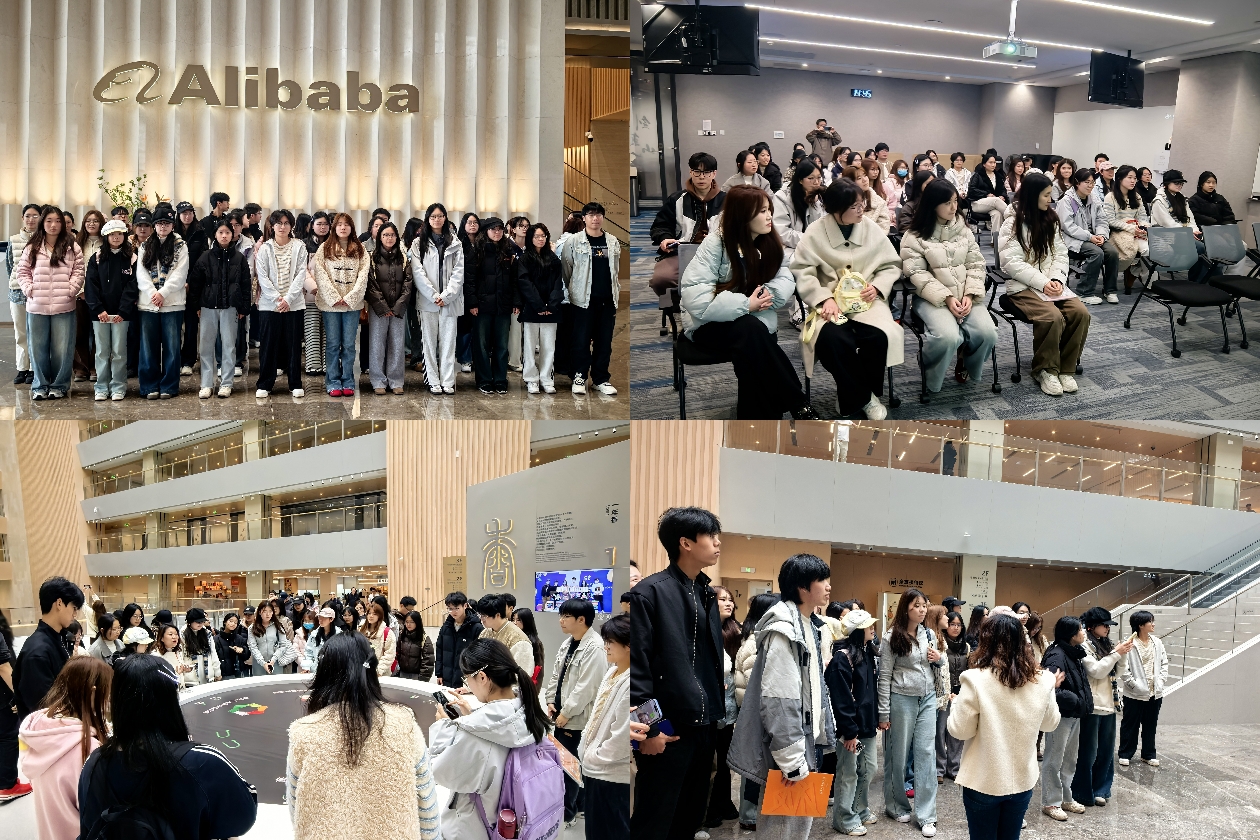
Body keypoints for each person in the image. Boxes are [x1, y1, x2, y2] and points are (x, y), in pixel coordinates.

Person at [78, 654, 258, 840]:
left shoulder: (95, 763)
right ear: (170, 700)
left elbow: (88, 825)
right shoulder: (203, 761)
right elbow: (242, 817)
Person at [628, 507, 725, 840]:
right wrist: (651, 729)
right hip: (668, 727)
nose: (717, 543)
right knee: (655, 820)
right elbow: (638, 671)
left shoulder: (706, 593)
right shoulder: (649, 593)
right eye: (710, 536)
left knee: (689, 818)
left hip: (704, 724)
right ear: (685, 543)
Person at [680, 184, 814, 420]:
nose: (770, 216)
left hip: (751, 322)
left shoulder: (767, 240)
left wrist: (769, 294)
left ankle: (755, 422)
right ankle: (797, 402)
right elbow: (696, 298)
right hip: (707, 324)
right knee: (752, 333)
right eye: (762, 211)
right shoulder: (716, 243)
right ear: (742, 215)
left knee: (750, 350)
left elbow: (784, 275)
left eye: (769, 209)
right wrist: (746, 305)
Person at [285, 632, 438, 839]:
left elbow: (296, 808)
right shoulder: (403, 723)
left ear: (323, 673)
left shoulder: (304, 732)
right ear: (371, 670)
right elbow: (427, 805)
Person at [727, 553, 835, 840]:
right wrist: (792, 760)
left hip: (804, 739)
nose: (828, 586)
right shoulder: (784, 631)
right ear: (803, 587)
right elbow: (779, 701)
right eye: (822, 580)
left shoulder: (807, 624)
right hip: (790, 747)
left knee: (796, 825)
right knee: (783, 828)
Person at [792, 178, 904, 420]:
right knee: (832, 339)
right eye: (854, 207)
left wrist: (878, 286)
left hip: (867, 301)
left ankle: (851, 394)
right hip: (830, 304)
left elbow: (891, 264)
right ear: (836, 209)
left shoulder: (870, 228)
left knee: (879, 336)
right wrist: (823, 299)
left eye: (862, 204)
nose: (861, 210)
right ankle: (865, 398)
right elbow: (802, 272)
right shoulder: (814, 233)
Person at [430, 637, 560, 840]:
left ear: (482, 677)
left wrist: (442, 727)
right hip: (522, 821)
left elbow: (440, 771)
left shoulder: (476, 736)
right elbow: (501, 732)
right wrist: (473, 716)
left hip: (476, 830)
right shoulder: (529, 712)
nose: (467, 684)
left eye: (467, 678)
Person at [947, 613, 1061, 840]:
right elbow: (1050, 724)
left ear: (986, 641)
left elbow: (960, 730)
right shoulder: (1043, 680)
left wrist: (956, 703)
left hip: (983, 779)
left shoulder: (975, 679)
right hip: (1022, 779)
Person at [998, 173, 1089, 398]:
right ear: (1032, 196)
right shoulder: (1012, 223)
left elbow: (1061, 254)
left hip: (1051, 284)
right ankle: (1045, 370)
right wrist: (1044, 282)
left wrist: (1057, 279)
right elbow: (1011, 263)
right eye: (1046, 195)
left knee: (1080, 313)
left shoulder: (1051, 219)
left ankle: (1065, 368)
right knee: (1052, 317)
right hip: (1022, 287)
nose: (1050, 199)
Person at [901, 178, 996, 392]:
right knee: (947, 337)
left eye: (955, 201)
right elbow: (916, 273)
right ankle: (929, 370)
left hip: (965, 295)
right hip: (931, 298)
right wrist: (947, 297)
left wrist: (970, 295)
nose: (954, 207)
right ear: (932, 205)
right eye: (947, 203)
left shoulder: (963, 229)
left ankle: (966, 360)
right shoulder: (914, 235)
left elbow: (976, 264)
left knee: (988, 332)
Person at [17, 656, 111, 840]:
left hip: (49, 831)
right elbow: (96, 810)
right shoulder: (87, 747)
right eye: (108, 692)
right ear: (93, 693)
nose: (109, 699)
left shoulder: (37, 728)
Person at [876, 589, 941, 837]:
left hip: (928, 697)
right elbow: (884, 677)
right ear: (906, 608)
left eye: (924, 605)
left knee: (926, 754)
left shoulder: (928, 633)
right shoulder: (891, 637)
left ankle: (927, 815)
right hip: (901, 698)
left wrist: (939, 658)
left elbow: (937, 663)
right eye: (917, 606)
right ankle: (896, 806)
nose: (922, 610)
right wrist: (883, 713)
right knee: (898, 755)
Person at [541, 597, 604, 825]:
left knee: (570, 767)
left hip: (576, 718)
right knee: (565, 762)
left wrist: (566, 713)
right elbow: (555, 676)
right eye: (561, 615)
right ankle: (577, 807)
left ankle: (568, 814)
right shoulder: (569, 642)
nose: (561, 620)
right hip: (561, 713)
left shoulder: (595, 647)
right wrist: (550, 700)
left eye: (566, 616)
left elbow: (586, 688)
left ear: (581, 619)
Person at [14, 206, 85, 400]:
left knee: (62, 349)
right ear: (42, 223)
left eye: (58, 221)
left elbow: (79, 271)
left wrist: (71, 290)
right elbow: (22, 272)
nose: (53, 225)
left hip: (64, 305)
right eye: (49, 221)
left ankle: (59, 385)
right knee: (37, 349)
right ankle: (40, 385)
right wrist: (30, 289)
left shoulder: (72, 246)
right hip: (37, 305)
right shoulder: (33, 246)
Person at [825, 608, 880, 837]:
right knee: (849, 773)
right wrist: (849, 732)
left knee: (869, 768)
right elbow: (841, 699)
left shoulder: (867, 653)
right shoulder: (842, 657)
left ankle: (859, 809)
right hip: (851, 729)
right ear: (858, 630)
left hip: (867, 726)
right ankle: (844, 818)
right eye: (868, 626)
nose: (873, 628)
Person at [578, 613, 631, 840]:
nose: (605, 646)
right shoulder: (612, 671)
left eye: (611, 642)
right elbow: (595, 717)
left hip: (612, 775)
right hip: (596, 770)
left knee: (611, 831)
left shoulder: (631, 681)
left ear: (629, 646)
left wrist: (593, 756)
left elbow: (622, 738)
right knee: (595, 830)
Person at [1074, 607, 1131, 809]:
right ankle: (1083, 792)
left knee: (1106, 752)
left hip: (1109, 705)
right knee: (1088, 752)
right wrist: (1116, 654)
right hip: (1092, 705)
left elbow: (1118, 671)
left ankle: (1101, 790)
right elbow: (1096, 671)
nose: (1107, 629)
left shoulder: (1107, 644)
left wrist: (1122, 654)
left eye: (1109, 625)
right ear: (1091, 626)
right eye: (1104, 625)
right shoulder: (1084, 645)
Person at [650, 152, 726, 303]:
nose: (701, 177)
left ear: (714, 174)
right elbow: (660, 225)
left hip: (718, 253)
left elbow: (738, 228)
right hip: (682, 251)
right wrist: (665, 238)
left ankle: (716, 307)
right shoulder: (676, 199)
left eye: (706, 172)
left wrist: (720, 238)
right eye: (697, 172)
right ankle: (673, 306)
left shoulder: (728, 200)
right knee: (661, 279)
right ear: (691, 172)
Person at [1040, 616, 1092, 820]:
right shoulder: (1056, 655)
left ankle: (1065, 798)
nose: (1083, 632)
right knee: (1054, 759)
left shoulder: (1073, 652)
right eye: (1080, 629)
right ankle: (1050, 802)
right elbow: (1048, 687)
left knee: (1069, 759)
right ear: (1071, 634)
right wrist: (1075, 700)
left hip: (1073, 714)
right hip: (1060, 715)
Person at [407, 203, 462, 394]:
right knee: (428, 343)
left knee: (448, 343)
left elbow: (458, 272)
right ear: (427, 219)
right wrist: (433, 295)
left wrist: (446, 296)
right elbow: (417, 271)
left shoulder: (455, 242)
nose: (437, 219)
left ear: (445, 218)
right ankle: (432, 380)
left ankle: (447, 381)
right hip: (427, 300)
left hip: (450, 301)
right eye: (433, 216)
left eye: (440, 216)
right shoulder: (418, 243)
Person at [134, 207, 189, 399]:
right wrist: (153, 293)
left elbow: (180, 274)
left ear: (173, 225)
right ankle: (149, 386)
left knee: (172, 347)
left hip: (172, 303)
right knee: (148, 347)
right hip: (148, 303)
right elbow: (141, 273)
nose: (162, 227)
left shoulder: (181, 246)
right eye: (159, 224)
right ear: (154, 226)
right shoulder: (144, 246)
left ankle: (169, 386)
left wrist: (163, 293)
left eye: (166, 223)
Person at [312, 213, 369, 396]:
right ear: (334, 227)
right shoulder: (324, 248)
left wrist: (351, 298)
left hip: (352, 305)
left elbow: (363, 275)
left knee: (349, 344)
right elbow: (320, 274)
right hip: (331, 305)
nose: (343, 227)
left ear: (352, 227)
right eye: (339, 224)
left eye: (346, 224)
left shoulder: (360, 249)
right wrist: (334, 297)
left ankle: (348, 380)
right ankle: (333, 381)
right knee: (333, 344)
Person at [254, 208, 309, 399]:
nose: (282, 227)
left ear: (291, 226)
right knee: (268, 345)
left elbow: (301, 274)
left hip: (294, 304)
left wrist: (288, 299)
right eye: (279, 223)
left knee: (293, 345)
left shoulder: (299, 246)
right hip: (270, 305)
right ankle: (265, 383)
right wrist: (277, 299)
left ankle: (295, 383)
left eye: (286, 223)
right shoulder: (265, 248)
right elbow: (262, 276)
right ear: (272, 226)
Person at [83, 219, 139, 400]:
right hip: (100, 314)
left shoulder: (132, 258)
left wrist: (123, 311)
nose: (116, 237)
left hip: (121, 315)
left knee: (119, 352)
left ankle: (118, 387)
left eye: (120, 234)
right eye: (112, 234)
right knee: (101, 352)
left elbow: (133, 286)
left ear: (125, 236)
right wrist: (98, 309)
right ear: (106, 237)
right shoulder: (97, 257)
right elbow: (91, 285)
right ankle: (101, 387)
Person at [15, 577, 83, 721]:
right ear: (59, 603)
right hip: (47, 729)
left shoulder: (60, 638)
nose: (75, 614)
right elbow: (43, 708)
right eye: (74, 608)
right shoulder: (37, 652)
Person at [360, 220, 414, 395]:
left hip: (398, 308)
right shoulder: (371, 257)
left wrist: (398, 306)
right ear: (379, 237)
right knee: (377, 344)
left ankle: (396, 380)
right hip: (378, 309)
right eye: (385, 235)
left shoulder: (403, 258)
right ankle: (378, 381)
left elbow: (408, 284)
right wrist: (383, 306)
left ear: (397, 237)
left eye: (392, 235)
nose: (389, 238)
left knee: (397, 344)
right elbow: (370, 285)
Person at [704, 586, 742, 829]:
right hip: (710, 707)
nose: (728, 603)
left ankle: (724, 802)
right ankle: (709, 809)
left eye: (730, 599)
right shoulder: (703, 629)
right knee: (711, 762)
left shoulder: (734, 630)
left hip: (729, 706)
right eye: (722, 599)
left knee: (725, 759)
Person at [1056, 168, 1119, 305]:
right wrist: (1089, 237)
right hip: (1073, 239)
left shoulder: (1094, 199)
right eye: (1087, 182)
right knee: (1096, 253)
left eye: (1092, 182)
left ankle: (1110, 290)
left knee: (1112, 252)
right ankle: (1084, 292)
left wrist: (1101, 235)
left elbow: (1102, 220)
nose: (1090, 185)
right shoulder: (1067, 201)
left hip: (1093, 237)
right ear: (1077, 183)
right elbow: (1068, 227)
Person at [516, 222, 565, 396]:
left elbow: (558, 283)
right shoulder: (524, 259)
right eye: (537, 236)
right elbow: (525, 284)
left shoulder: (553, 259)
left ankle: (546, 379)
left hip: (551, 309)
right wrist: (539, 305)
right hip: (532, 307)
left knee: (549, 346)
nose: (540, 239)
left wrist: (551, 305)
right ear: (530, 238)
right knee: (529, 346)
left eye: (543, 236)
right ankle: (531, 379)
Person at [1119, 609, 1168, 768]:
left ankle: (1148, 754)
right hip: (1134, 694)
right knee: (1130, 725)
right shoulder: (1129, 644)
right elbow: (1122, 668)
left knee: (1150, 725)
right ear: (1140, 625)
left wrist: (1161, 681)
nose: (1153, 624)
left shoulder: (1157, 642)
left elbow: (1164, 663)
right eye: (1150, 621)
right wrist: (1133, 685)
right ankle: (1125, 753)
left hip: (1155, 692)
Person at [1151, 169, 1212, 284]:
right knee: (1200, 248)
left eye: (1181, 183)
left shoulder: (1182, 198)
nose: (1179, 185)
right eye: (1176, 183)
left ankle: (1210, 281)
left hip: (1184, 234)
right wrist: (1188, 233)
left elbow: (1190, 219)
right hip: (1168, 236)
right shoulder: (1159, 201)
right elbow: (1168, 224)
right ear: (1166, 183)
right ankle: (1197, 282)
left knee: (1210, 245)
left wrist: (1194, 230)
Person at [8, 203, 42, 386]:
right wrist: (17, 284)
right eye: (28, 216)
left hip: (38, 293)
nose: (31, 220)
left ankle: (34, 368)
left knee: (36, 333)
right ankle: (22, 367)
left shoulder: (44, 239)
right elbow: (10, 266)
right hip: (17, 292)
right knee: (20, 332)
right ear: (22, 218)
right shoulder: (13, 240)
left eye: (35, 216)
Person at [1103, 164, 1151, 295]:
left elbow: (1143, 217)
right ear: (1119, 178)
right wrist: (1131, 228)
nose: (1133, 181)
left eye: (1135, 178)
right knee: (1146, 250)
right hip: (1119, 233)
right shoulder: (1110, 197)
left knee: (1152, 250)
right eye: (1129, 177)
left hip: (1137, 231)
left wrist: (1143, 227)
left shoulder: (1137, 196)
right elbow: (1110, 221)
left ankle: (1142, 277)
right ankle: (1147, 281)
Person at [772, 158, 826, 260]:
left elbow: (820, 226)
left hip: (814, 247)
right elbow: (782, 232)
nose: (816, 182)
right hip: (790, 249)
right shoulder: (782, 198)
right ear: (800, 180)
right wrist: (811, 239)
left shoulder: (820, 196)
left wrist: (815, 203)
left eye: (819, 177)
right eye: (811, 178)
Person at [939, 611, 969, 782]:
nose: (956, 628)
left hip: (960, 693)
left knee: (957, 731)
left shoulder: (966, 647)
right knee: (940, 731)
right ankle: (939, 768)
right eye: (952, 624)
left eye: (959, 625)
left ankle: (954, 767)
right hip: (943, 693)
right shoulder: (940, 644)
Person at [473, 594, 533, 675]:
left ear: (498, 615)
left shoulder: (518, 639)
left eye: (484, 616)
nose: (481, 619)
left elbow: (523, 675)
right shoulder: (485, 633)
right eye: (480, 615)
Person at [435, 591, 484, 688]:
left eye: (456, 608)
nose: (453, 612)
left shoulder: (476, 628)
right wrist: (439, 673)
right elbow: (440, 650)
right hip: (447, 677)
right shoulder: (446, 627)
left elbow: (479, 656)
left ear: (465, 606)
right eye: (450, 608)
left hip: (466, 679)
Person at [302, 211, 330, 374]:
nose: (322, 227)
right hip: (310, 294)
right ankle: (313, 364)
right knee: (311, 328)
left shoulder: (334, 244)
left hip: (330, 296)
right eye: (319, 224)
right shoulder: (304, 245)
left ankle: (328, 364)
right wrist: (313, 287)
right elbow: (301, 269)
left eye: (325, 224)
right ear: (312, 226)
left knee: (328, 331)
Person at [248, 601, 296, 676]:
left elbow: (283, 645)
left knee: (276, 683)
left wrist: (273, 660)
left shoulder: (278, 626)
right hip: (258, 663)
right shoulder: (252, 628)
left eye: (270, 611)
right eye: (265, 611)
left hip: (275, 662)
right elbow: (253, 647)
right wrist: (263, 663)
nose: (268, 614)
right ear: (259, 612)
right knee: (260, 683)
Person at [967, 152, 1008, 232]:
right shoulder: (978, 175)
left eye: (994, 162)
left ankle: (996, 238)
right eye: (990, 162)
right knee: (996, 200)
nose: (993, 165)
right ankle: (1014, 218)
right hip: (977, 203)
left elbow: (1003, 190)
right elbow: (972, 190)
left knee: (997, 214)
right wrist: (986, 194)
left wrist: (1002, 196)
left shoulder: (999, 176)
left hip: (993, 204)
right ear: (984, 164)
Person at [846, 163, 890, 233]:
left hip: (874, 238)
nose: (864, 180)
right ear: (850, 182)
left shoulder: (878, 202)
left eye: (865, 175)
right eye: (859, 178)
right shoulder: (845, 203)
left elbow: (884, 225)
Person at [151, 624, 194, 689]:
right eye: (170, 634)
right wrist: (176, 674)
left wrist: (186, 669)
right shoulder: (156, 655)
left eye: (176, 634)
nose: (174, 637)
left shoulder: (178, 650)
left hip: (180, 688)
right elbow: (158, 679)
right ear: (162, 638)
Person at [395, 610, 435, 681]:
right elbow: (397, 654)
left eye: (412, 622)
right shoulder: (402, 636)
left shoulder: (424, 639)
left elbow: (428, 662)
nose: (408, 624)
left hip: (417, 676)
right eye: (407, 622)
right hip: (402, 673)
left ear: (417, 622)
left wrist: (423, 679)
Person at [300, 607, 340, 675]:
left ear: (331, 619)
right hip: (316, 671)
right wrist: (307, 667)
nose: (320, 620)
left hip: (334, 671)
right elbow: (308, 652)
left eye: (324, 618)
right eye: (319, 617)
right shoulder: (314, 635)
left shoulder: (339, 635)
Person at [214, 613, 248, 679]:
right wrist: (216, 673)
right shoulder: (216, 639)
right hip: (221, 674)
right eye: (231, 621)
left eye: (235, 622)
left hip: (237, 673)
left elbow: (247, 655)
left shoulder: (239, 638)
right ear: (225, 622)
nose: (233, 624)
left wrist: (242, 650)